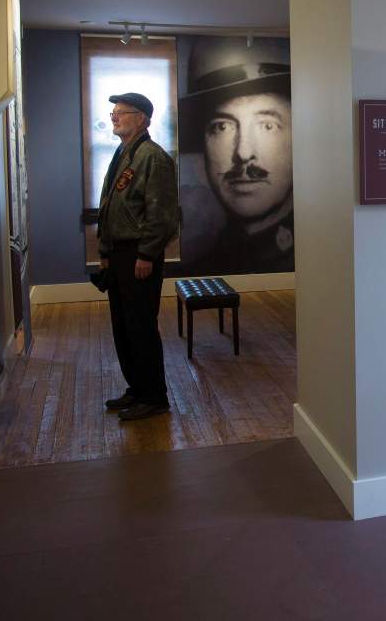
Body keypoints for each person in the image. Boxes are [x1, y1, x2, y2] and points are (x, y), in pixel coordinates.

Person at [96, 92, 179, 421]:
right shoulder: (125, 153)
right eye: (113, 112)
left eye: (122, 112)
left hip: (138, 255)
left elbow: (162, 215)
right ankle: (138, 388)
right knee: (123, 325)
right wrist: (105, 252)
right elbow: (111, 206)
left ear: (142, 118)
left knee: (141, 325)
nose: (114, 117)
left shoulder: (153, 157)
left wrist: (146, 254)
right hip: (119, 254)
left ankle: (154, 396)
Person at [182, 63, 294, 274]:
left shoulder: (321, 263)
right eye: (222, 126)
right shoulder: (206, 266)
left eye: (267, 126)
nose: (243, 153)